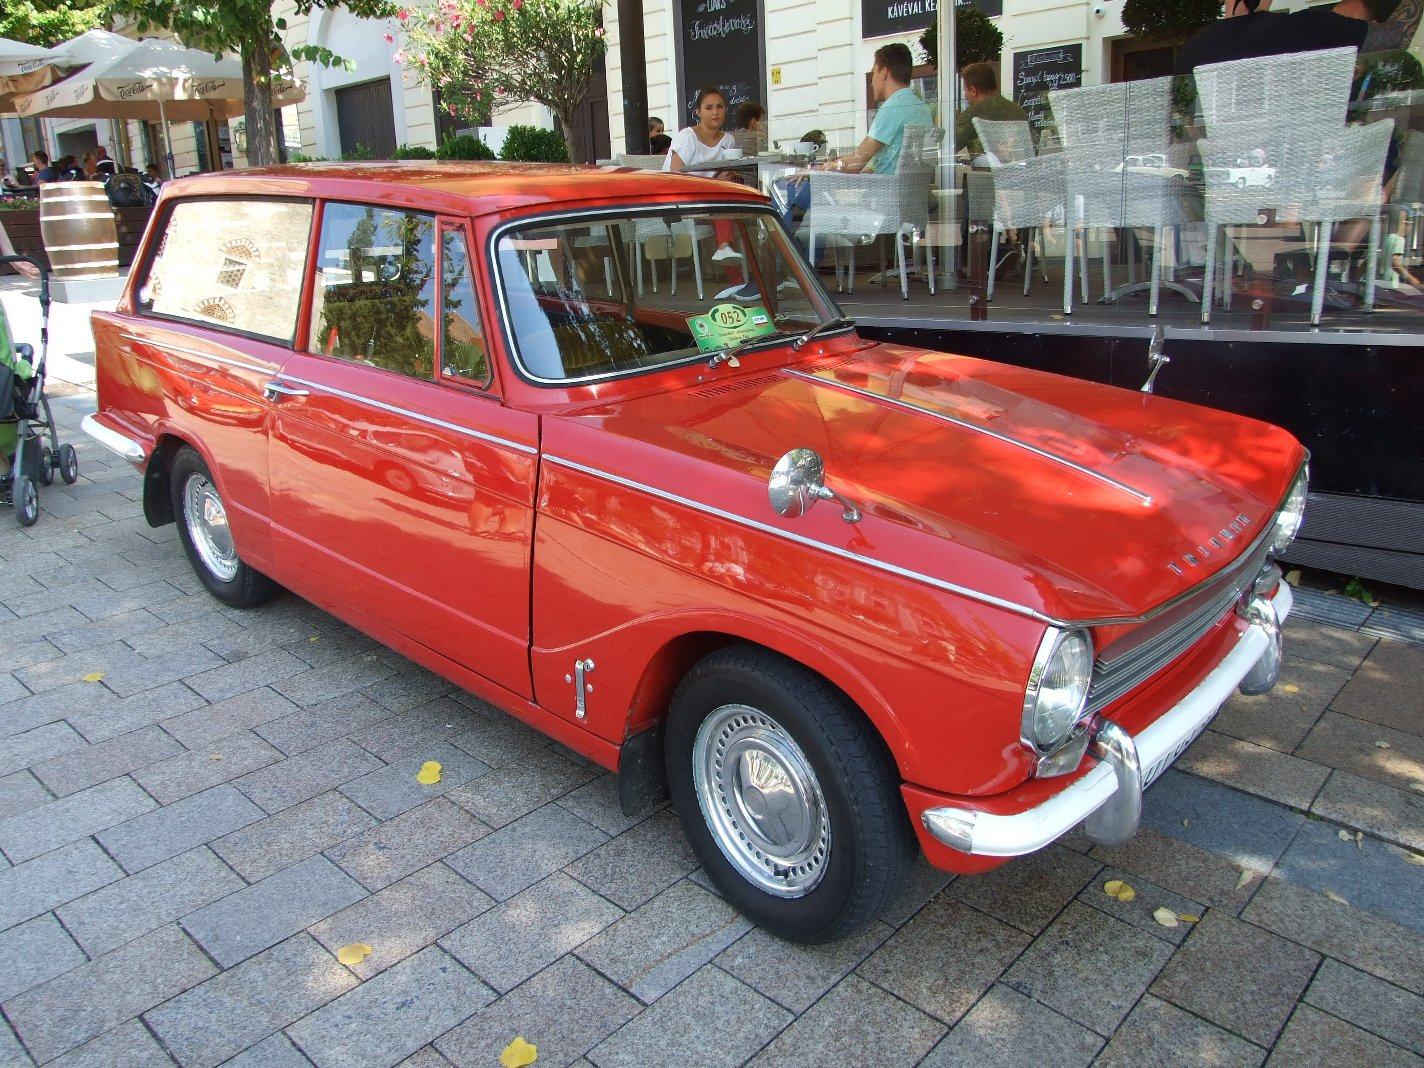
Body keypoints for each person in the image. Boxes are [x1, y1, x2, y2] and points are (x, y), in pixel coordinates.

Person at [1176, 0, 1402, 76]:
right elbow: (1398, 37)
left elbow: (1184, 126)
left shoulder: (1192, 51)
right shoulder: (1311, 28)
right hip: (1298, 175)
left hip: (1223, 178)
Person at [822, 43, 933, 175]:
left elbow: (857, 162)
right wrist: (839, 164)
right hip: (909, 192)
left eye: (874, 73)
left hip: (885, 194)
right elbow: (893, 166)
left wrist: (816, 169)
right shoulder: (922, 108)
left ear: (884, 73)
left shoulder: (893, 107)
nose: (871, 82)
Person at [955, 62, 1031, 160]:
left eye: (965, 90)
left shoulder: (974, 113)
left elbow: (950, 147)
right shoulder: (1019, 111)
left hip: (988, 173)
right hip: (1022, 172)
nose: (965, 95)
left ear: (973, 91)